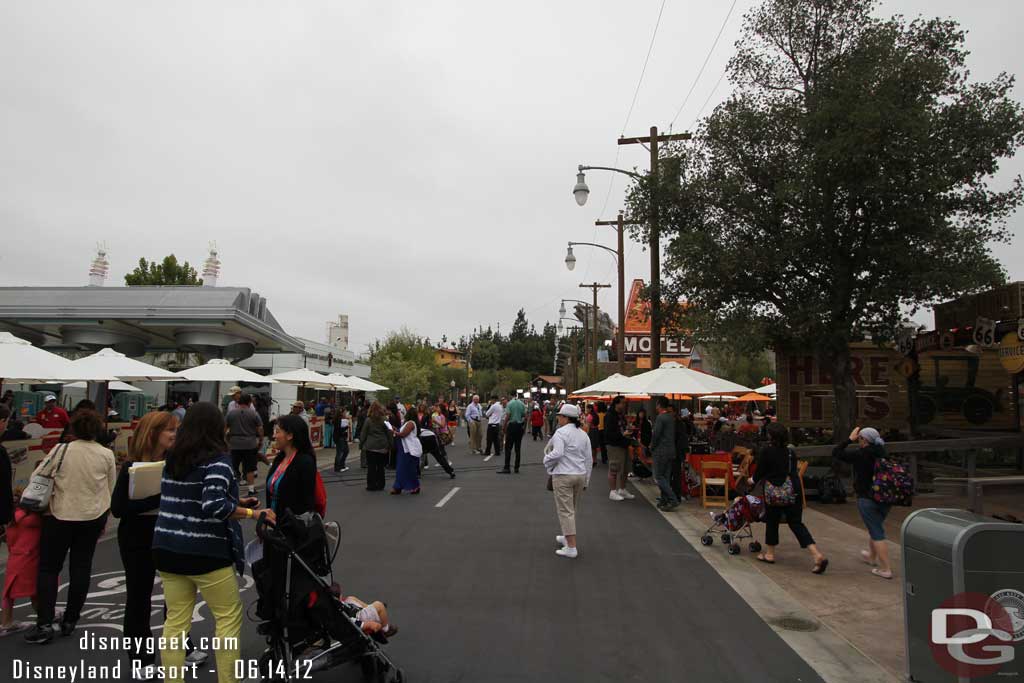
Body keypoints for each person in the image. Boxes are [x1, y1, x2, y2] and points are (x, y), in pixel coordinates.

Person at [152, 402, 274, 683]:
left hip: (167, 548)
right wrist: (254, 512)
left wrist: (236, 501)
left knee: (175, 623)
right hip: (205, 552)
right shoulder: (218, 461)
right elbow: (213, 506)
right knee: (227, 618)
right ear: (217, 428)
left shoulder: (173, 458)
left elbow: (194, 497)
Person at [110, 411, 208, 677]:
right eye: (170, 431)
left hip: (172, 532)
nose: (175, 436)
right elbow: (118, 508)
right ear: (153, 434)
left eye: (177, 430)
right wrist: (159, 497)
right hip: (137, 537)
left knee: (178, 597)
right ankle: (141, 658)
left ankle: (181, 646)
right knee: (139, 597)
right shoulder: (132, 466)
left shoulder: (179, 463)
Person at [25, 409, 117, 644]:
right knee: (81, 567)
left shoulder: (61, 449)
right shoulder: (106, 454)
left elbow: (38, 475)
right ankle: (70, 619)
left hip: (59, 514)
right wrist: (103, 515)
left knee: (48, 568)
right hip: (91, 516)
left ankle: (44, 623)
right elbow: (110, 488)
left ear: (73, 428)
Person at [751, 423, 828, 574]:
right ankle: (817, 555)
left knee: (772, 521)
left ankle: (770, 553)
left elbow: (760, 472)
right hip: (792, 491)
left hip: (774, 491)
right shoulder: (790, 452)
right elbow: (791, 471)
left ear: (771, 436)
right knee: (796, 523)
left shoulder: (767, 451)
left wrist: (751, 481)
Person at [833, 426, 894, 579]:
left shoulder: (861, 454)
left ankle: (886, 569)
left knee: (877, 532)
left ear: (864, 439)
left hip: (867, 497)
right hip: (886, 497)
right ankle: (872, 557)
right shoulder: (883, 453)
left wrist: (849, 439)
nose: (858, 440)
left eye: (859, 438)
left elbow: (836, 453)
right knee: (876, 526)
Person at [544, 404, 593, 559]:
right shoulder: (583, 434)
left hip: (563, 475)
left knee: (565, 511)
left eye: (560, 415)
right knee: (572, 509)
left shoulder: (560, 433)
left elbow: (557, 453)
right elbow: (589, 459)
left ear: (566, 417)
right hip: (580, 475)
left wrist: (546, 460)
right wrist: (586, 480)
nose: (558, 418)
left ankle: (571, 547)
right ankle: (567, 538)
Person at [266, 415, 318, 517]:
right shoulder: (279, 459)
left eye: (277, 432)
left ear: (290, 435)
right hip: (273, 525)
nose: (274, 436)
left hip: (293, 528)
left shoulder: (305, 462)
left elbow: (307, 502)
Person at [225, 393, 266, 497]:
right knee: (250, 467)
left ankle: (230, 489)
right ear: (249, 402)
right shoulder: (254, 414)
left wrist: (225, 440)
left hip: (234, 443)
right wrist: (260, 440)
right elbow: (260, 428)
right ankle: (251, 489)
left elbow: (225, 428)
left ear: (238, 402)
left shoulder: (231, 413)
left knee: (233, 467)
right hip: (250, 443)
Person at [603, 396, 635, 502]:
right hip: (614, 445)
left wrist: (628, 429)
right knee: (614, 468)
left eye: (625, 403)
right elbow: (608, 433)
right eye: (622, 403)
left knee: (625, 468)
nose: (624, 405)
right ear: (616, 404)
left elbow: (622, 428)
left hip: (623, 444)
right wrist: (623, 433)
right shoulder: (609, 415)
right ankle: (612, 491)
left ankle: (622, 489)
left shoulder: (620, 415)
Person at [650, 398, 679, 512]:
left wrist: (652, 446)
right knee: (665, 477)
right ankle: (664, 499)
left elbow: (656, 434)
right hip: (671, 450)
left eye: (657, 405)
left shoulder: (661, 417)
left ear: (659, 405)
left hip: (661, 451)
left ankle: (672, 499)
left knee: (659, 476)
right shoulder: (671, 417)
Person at [359, 402, 393, 491]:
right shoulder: (385, 419)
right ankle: (381, 484)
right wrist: (390, 444)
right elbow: (389, 432)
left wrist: (361, 444)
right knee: (380, 467)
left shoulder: (368, 420)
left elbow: (363, 434)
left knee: (371, 467)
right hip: (382, 446)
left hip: (371, 446)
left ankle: (371, 485)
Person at [418, 405, 455, 479]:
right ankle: (450, 471)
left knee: (421, 456)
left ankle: (418, 473)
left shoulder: (421, 419)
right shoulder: (430, 417)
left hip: (424, 436)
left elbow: (419, 429)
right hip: (431, 436)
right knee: (438, 456)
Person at [391, 409, 422, 495]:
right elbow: (401, 432)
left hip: (408, 450)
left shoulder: (411, 423)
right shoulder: (407, 423)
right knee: (401, 469)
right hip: (403, 449)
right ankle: (398, 487)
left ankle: (414, 486)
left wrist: (393, 432)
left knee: (407, 469)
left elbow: (403, 434)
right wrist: (396, 429)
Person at [498, 394, 526, 474]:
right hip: (519, 427)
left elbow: (508, 415)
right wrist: (524, 427)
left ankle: (507, 467)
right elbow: (525, 416)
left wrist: (504, 426)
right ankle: (516, 468)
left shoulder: (509, 404)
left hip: (511, 426)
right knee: (518, 448)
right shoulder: (522, 404)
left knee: (508, 448)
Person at [333, 408, 351, 472]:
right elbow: (339, 431)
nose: (346, 414)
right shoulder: (339, 420)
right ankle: (337, 467)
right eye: (345, 412)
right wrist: (346, 427)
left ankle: (342, 465)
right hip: (340, 438)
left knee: (346, 451)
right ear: (341, 413)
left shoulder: (342, 420)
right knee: (339, 452)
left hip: (342, 437)